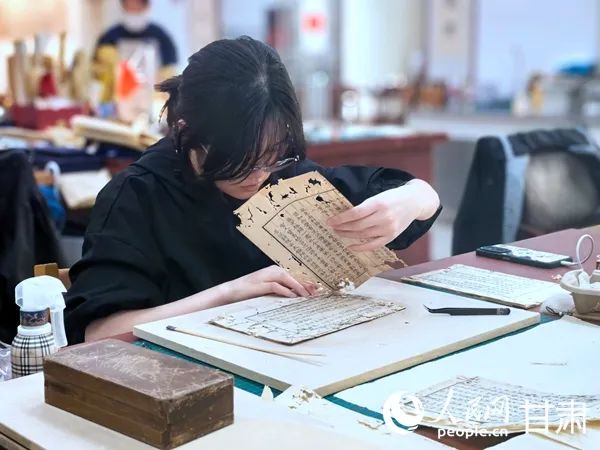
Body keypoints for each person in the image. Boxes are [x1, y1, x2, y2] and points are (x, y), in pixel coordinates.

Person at [64, 37, 441, 344]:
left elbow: (420, 198)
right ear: (185, 131)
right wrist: (230, 293)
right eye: (239, 160)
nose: (259, 175)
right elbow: (99, 333)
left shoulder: (287, 176)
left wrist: (412, 198)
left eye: (272, 155)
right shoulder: (137, 196)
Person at [96, 0, 177, 70]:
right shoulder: (110, 36)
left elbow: (171, 65)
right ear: (122, 7)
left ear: (146, 6)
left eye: (137, 6)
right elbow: (97, 66)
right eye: (129, 7)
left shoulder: (160, 36)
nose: (133, 11)